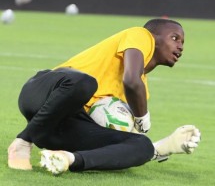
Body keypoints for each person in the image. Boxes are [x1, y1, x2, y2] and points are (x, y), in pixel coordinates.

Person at [8, 18, 201, 174]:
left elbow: (124, 139)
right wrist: (143, 117)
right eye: (175, 38)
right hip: (43, 92)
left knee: (141, 145)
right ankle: (23, 142)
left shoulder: (141, 91)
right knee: (86, 83)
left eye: (183, 42)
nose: (181, 46)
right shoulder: (140, 35)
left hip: (58, 127)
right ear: (154, 38)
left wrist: (163, 147)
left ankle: (67, 159)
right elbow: (131, 81)